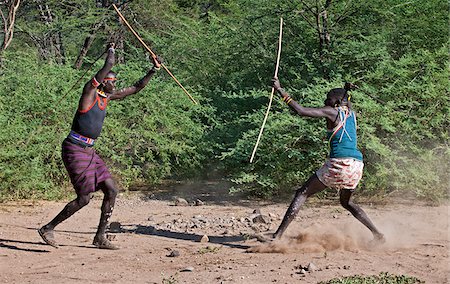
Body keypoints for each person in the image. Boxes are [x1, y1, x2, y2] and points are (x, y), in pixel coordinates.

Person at [38, 43, 162, 250]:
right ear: (102, 82)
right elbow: (109, 64)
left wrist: (154, 69)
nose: (115, 84)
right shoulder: (89, 93)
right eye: (112, 81)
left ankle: (100, 237)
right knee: (84, 198)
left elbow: (136, 88)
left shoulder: (107, 97)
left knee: (111, 189)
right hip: (75, 148)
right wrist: (111, 50)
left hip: (90, 151)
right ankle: (48, 228)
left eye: (115, 81)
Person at [270, 77, 385, 244]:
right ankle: (378, 235)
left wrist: (280, 90)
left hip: (340, 163)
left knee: (302, 193)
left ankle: (277, 237)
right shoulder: (352, 114)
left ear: (337, 101)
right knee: (347, 202)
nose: (325, 101)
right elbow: (346, 102)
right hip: (356, 166)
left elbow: (301, 111)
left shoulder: (333, 112)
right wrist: (346, 92)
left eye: (328, 99)